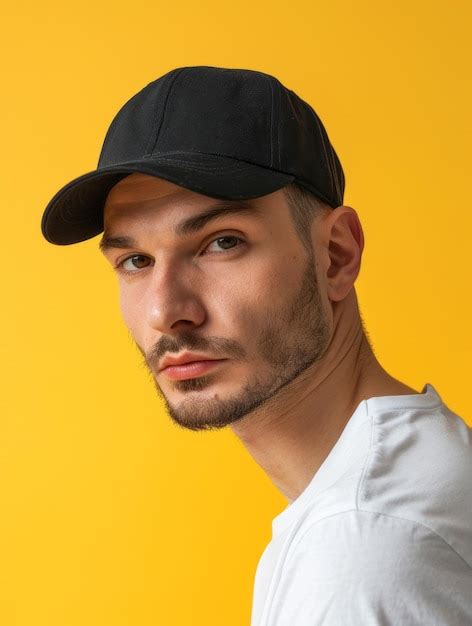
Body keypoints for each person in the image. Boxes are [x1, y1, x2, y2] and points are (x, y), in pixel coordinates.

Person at [41, 66, 472, 625]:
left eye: (222, 243)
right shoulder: (417, 470)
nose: (165, 310)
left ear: (336, 255)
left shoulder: (361, 545)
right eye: (136, 261)